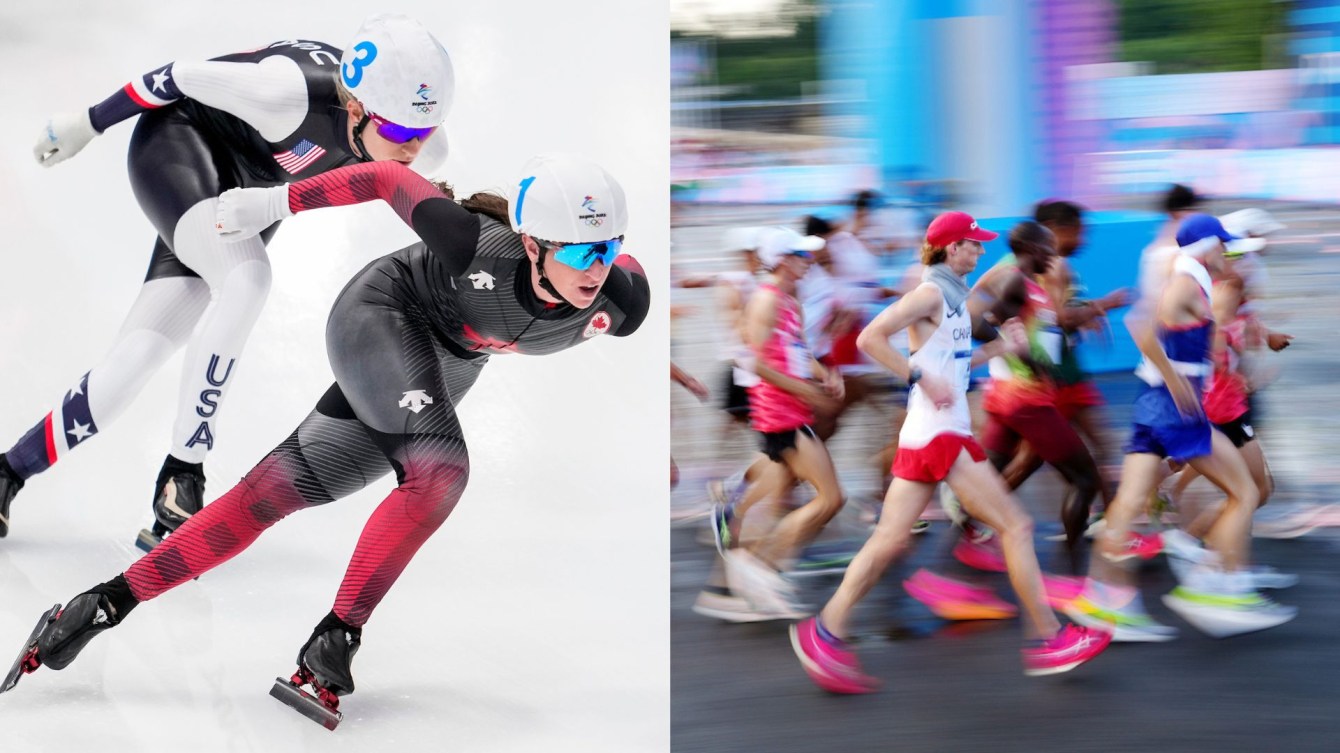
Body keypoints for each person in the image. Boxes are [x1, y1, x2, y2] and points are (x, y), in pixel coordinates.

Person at [3, 155, 649, 727]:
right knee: (441, 470)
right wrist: (271, 201)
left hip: (447, 363)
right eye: (581, 252)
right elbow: (385, 176)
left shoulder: (620, 301)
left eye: (608, 247)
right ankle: (335, 638)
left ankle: (100, 603)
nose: (597, 267)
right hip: (382, 315)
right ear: (533, 244)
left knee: (273, 492)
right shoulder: (471, 243)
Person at [0, 14, 454, 546]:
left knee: (129, 366)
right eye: (401, 131)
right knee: (248, 278)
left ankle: (9, 471)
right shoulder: (284, 93)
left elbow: (368, 180)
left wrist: (271, 203)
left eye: (425, 130)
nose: (414, 148)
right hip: (179, 145)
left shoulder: (416, 137)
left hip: (250, 196)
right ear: (354, 108)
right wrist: (87, 123)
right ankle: (183, 473)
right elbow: (176, 76)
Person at [790, 212, 1111, 693]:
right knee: (1017, 527)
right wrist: (917, 376)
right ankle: (1049, 639)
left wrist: (1000, 346)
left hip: (933, 431)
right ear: (950, 248)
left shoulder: (953, 298)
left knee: (887, 541)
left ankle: (823, 631)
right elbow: (869, 338)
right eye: (973, 245)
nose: (981, 252)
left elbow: (956, 363)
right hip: (940, 434)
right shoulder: (931, 293)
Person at [1063, 214, 1295, 641]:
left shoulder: (1196, 279)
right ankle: (1215, 589)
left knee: (1130, 502)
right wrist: (1177, 382)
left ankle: (1104, 600)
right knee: (1244, 492)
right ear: (1205, 248)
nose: (1230, 255)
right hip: (1173, 405)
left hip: (1153, 403)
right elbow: (1139, 325)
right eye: (1224, 247)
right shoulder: (1186, 280)